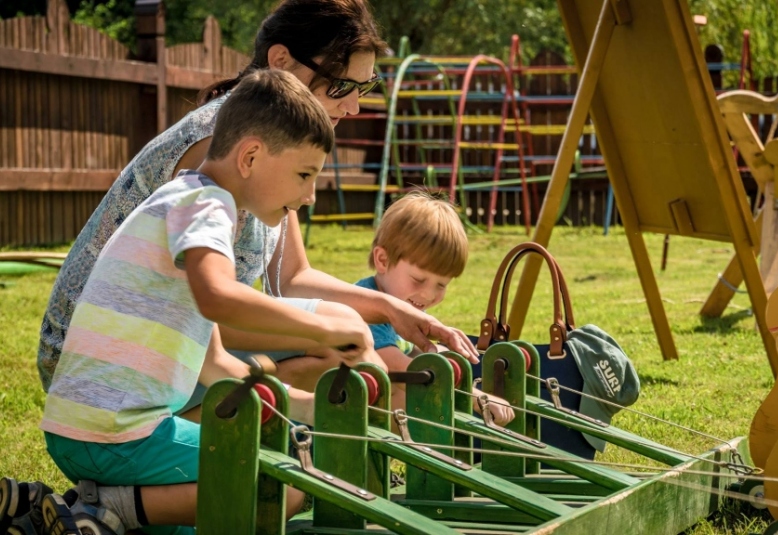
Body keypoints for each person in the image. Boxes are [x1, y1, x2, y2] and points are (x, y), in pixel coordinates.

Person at [37, 0, 477, 415]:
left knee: (336, 344)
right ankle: (139, 468)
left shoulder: (270, 142)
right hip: (97, 354)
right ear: (281, 61)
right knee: (335, 347)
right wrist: (334, 327)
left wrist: (391, 307)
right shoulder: (226, 146)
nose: (354, 105)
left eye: (364, 87)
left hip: (168, 334)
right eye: (342, 85)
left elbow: (292, 278)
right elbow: (201, 300)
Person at [35, 69, 371, 535]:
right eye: (304, 174)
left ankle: (71, 513)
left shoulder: (189, 200)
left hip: (92, 431)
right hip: (117, 433)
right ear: (251, 156)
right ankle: (105, 509)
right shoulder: (206, 205)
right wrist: (327, 332)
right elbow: (219, 297)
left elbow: (214, 365)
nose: (310, 195)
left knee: (201, 521)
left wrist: (309, 407)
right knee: (285, 482)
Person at [353, 191, 515, 426]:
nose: (429, 294)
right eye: (418, 279)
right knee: (410, 394)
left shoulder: (405, 301)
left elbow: (420, 352)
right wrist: (472, 395)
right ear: (383, 260)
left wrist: (447, 359)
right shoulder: (367, 306)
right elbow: (394, 363)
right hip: (342, 404)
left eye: (442, 284)